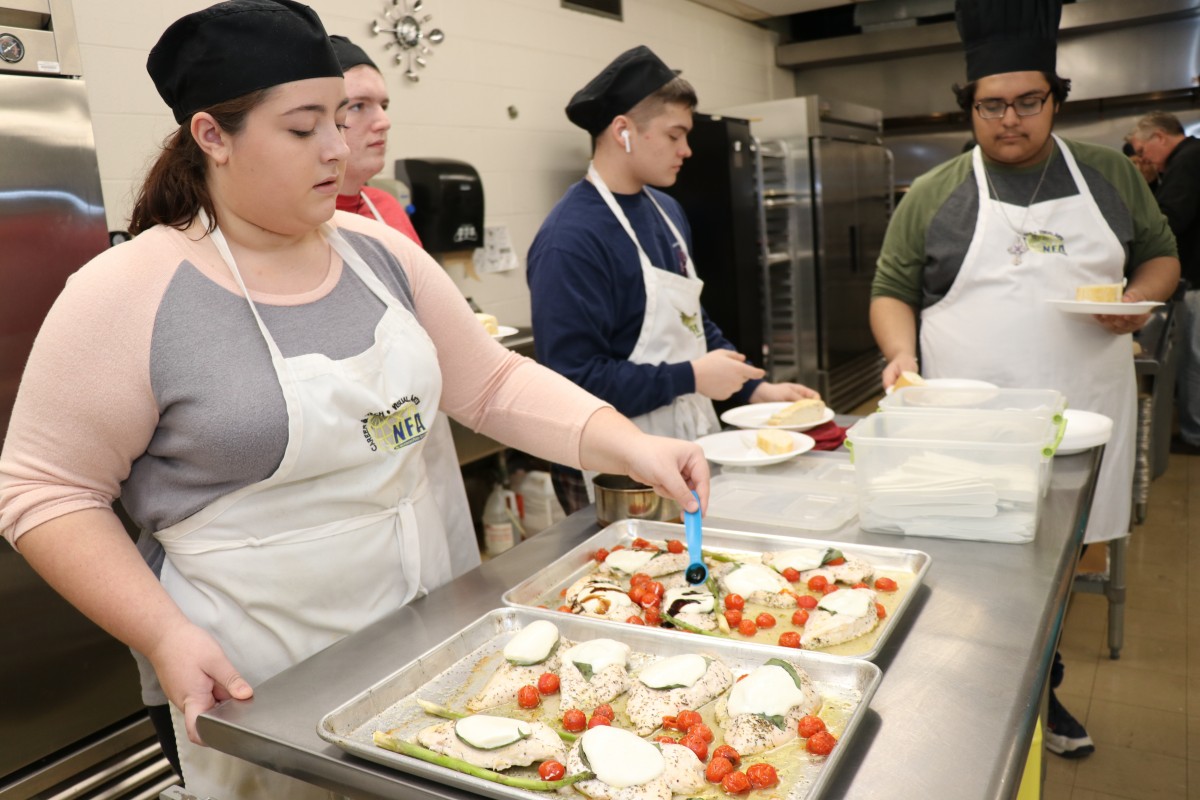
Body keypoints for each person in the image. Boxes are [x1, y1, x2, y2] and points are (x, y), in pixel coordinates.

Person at [0, 3, 709, 798]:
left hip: (425, 653)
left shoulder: (381, 258)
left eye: (342, 118)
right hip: (253, 682)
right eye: (304, 129)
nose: (338, 147)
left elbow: (494, 381)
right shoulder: (128, 293)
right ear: (212, 136)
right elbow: (45, 491)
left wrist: (626, 442)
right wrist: (161, 633)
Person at [870, 0, 1179, 759]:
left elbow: (1163, 255)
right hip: (971, 430)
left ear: (1054, 99)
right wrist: (901, 356)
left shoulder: (1108, 174)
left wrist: (1143, 299)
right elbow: (891, 290)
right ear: (970, 106)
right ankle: (968, 699)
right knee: (976, 570)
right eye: (992, 105)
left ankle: (1043, 689)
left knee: (1061, 569)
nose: (1010, 120)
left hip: (1084, 417)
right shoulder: (937, 191)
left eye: (1028, 102)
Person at [527, 45, 818, 513]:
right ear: (623, 131)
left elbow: (691, 320)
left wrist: (751, 390)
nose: (687, 150)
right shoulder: (571, 239)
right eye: (675, 134)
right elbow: (572, 381)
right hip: (618, 466)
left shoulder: (666, 211)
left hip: (690, 433)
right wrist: (693, 376)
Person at [1128, 111, 1200, 455]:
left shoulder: (1189, 160)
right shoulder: (1184, 161)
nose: (1143, 158)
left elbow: (1169, 219)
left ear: (1160, 137)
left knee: (1194, 359)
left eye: (1143, 150)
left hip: (1198, 277)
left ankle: (1194, 434)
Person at [328, 34, 423, 245]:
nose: (384, 121)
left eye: (384, 106)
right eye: (358, 106)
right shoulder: (294, 221)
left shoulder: (388, 207)